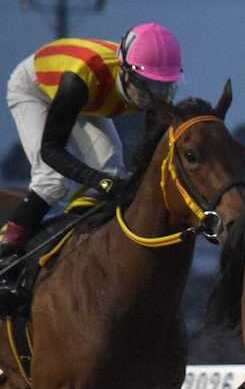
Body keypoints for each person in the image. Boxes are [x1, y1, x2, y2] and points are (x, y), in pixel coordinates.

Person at [0, 23, 183, 305]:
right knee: (52, 180)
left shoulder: (146, 88)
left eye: (164, 87)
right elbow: (51, 150)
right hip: (36, 91)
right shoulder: (82, 79)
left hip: (88, 99)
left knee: (114, 170)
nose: (154, 98)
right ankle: (6, 253)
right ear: (125, 71)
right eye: (147, 86)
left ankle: (85, 240)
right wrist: (98, 181)